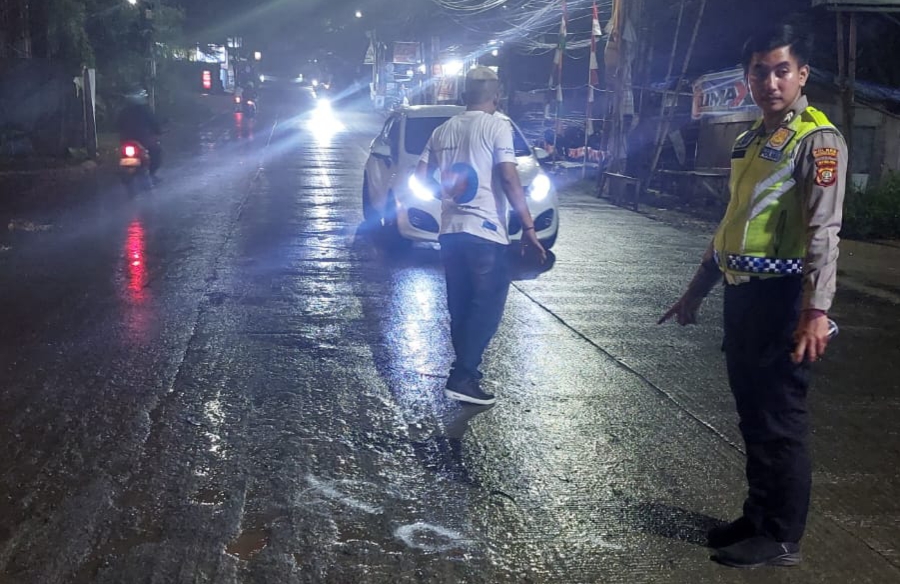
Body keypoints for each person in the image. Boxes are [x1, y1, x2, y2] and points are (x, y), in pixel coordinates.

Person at [659, 21, 846, 568]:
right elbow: (733, 227)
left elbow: (824, 232)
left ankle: (782, 535)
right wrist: (696, 292)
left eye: (781, 70)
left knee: (779, 419)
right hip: (744, 300)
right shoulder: (752, 140)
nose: (770, 81)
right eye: (760, 72)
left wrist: (816, 311)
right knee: (753, 415)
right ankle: (759, 516)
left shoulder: (818, 139)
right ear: (748, 78)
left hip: (785, 299)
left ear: (802, 74)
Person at [416, 66, 546, 405]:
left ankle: (466, 376)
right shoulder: (497, 125)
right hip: (486, 233)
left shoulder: (442, 131)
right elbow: (507, 177)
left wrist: (448, 196)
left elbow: (420, 178)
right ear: (497, 95)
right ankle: (462, 376)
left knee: (460, 305)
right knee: (486, 307)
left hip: (450, 232)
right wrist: (528, 226)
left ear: (463, 95)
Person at [117, 90, 163, 183]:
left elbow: (117, 125)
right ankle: (152, 174)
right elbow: (154, 123)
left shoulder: (123, 111)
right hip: (142, 140)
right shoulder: (145, 110)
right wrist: (158, 132)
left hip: (127, 141)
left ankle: (150, 175)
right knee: (156, 151)